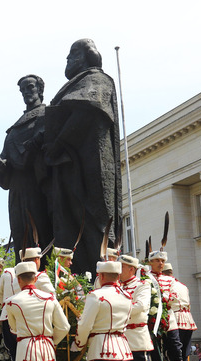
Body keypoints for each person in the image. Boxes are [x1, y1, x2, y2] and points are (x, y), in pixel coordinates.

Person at [43, 38, 122, 278]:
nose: (67, 61)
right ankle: (76, 277)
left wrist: (57, 142)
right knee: (70, 220)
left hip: (92, 163)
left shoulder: (97, 79)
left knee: (95, 220)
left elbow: (85, 113)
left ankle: (102, 275)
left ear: (85, 56)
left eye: (71, 55)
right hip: (70, 164)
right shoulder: (75, 84)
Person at [0, 73, 51, 262]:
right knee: (19, 233)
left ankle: (42, 277)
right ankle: (22, 276)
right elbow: (6, 157)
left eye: (30, 87)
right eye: (23, 90)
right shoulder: (15, 128)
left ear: (40, 89)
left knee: (40, 231)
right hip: (17, 189)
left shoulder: (46, 114)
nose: (26, 92)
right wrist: (1, 167)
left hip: (37, 185)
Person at [4, 261, 70, 361]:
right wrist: (52, 341)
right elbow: (64, 326)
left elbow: (14, 329)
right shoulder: (50, 298)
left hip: (26, 352)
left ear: (19, 279)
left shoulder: (11, 302)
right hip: (47, 352)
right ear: (35, 278)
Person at [147, 250, 190, 361]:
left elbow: (175, 298)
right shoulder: (145, 279)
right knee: (155, 353)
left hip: (170, 320)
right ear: (150, 262)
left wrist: (166, 297)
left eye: (162, 261)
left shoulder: (170, 280)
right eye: (157, 260)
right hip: (152, 321)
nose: (160, 263)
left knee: (175, 351)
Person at [163, 263, 196, 361]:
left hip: (175, 318)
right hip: (188, 319)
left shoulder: (168, 285)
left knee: (174, 353)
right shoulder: (183, 286)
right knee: (185, 353)